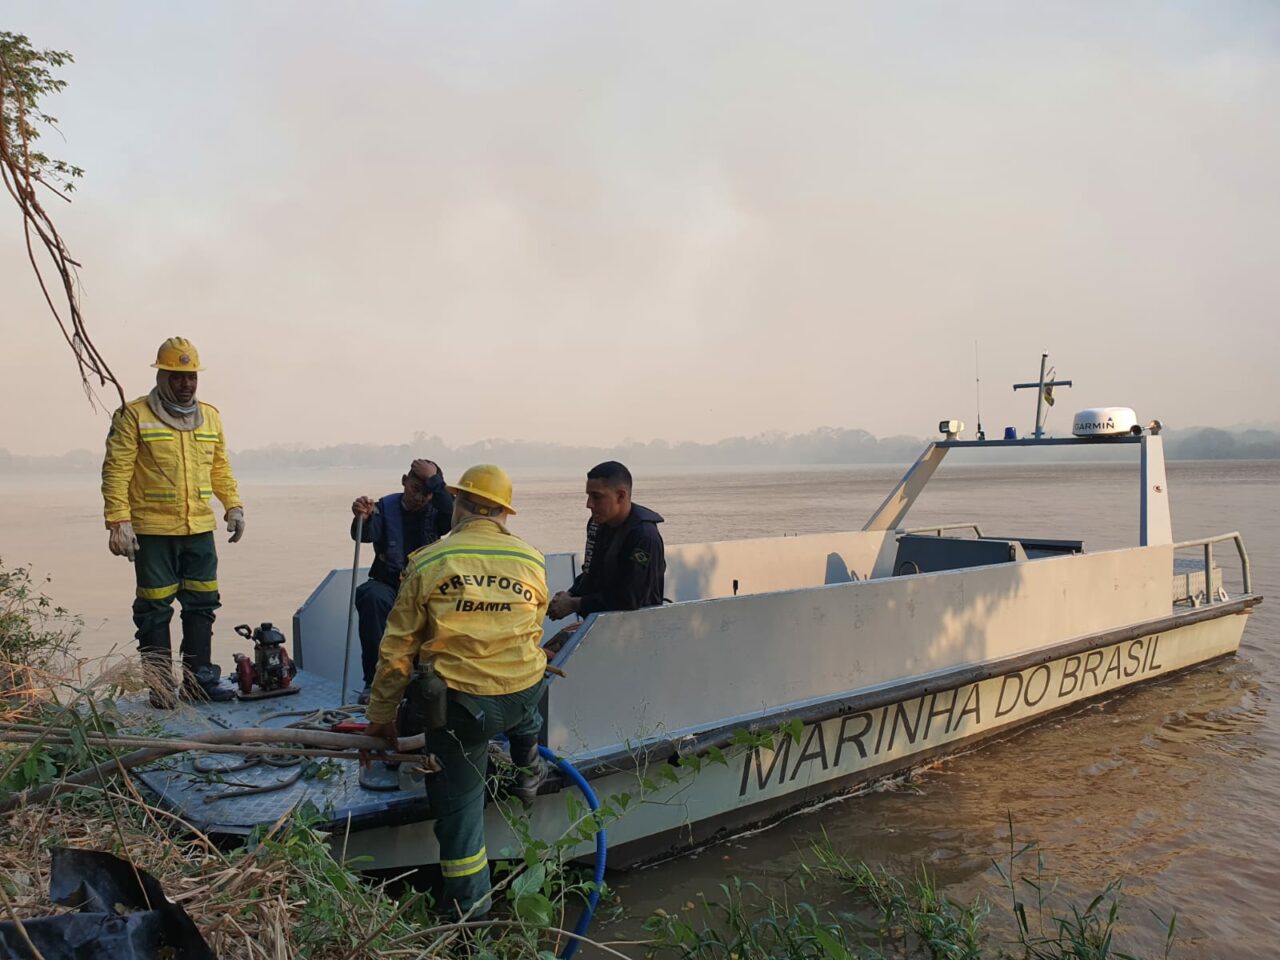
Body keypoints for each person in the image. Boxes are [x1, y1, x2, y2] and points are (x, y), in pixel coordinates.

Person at [363, 464, 549, 919]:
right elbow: (533, 628)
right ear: (504, 513)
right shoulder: (532, 559)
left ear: (460, 506)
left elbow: (396, 651)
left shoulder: (428, 561)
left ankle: (472, 917)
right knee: (523, 675)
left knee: (461, 823)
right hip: (525, 694)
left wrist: (381, 715)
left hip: (463, 713)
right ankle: (528, 762)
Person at [101, 337, 243, 706]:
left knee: (202, 604)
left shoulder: (210, 415)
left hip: (198, 528)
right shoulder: (133, 415)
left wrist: (233, 506)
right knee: (154, 610)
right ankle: (161, 686)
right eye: (178, 377)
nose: (186, 384)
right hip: (152, 531)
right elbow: (116, 470)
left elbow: (219, 467)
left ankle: (200, 683)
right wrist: (118, 521)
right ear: (162, 376)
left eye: (191, 376)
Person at [350, 459, 454, 702]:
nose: (419, 498)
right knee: (370, 595)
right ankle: (374, 682)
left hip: (427, 588)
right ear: (404, 482)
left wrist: (434, 482)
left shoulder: (438, 511)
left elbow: (453, 514)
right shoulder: (384, 508)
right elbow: (363, 536)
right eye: (415, 489)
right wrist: (361, 518)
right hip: (389, 584)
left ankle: (437, 681)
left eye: (426, 493)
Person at [546, 461, 665, 621]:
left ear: (621, 496)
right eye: (588, 496)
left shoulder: (644, 536)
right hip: (600, 622)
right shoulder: (597, 524)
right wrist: (569, 594)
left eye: (596, 496)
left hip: (636, 627)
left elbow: (631, 598)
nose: (589, 504)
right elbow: (591, 573)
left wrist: (575, 604)